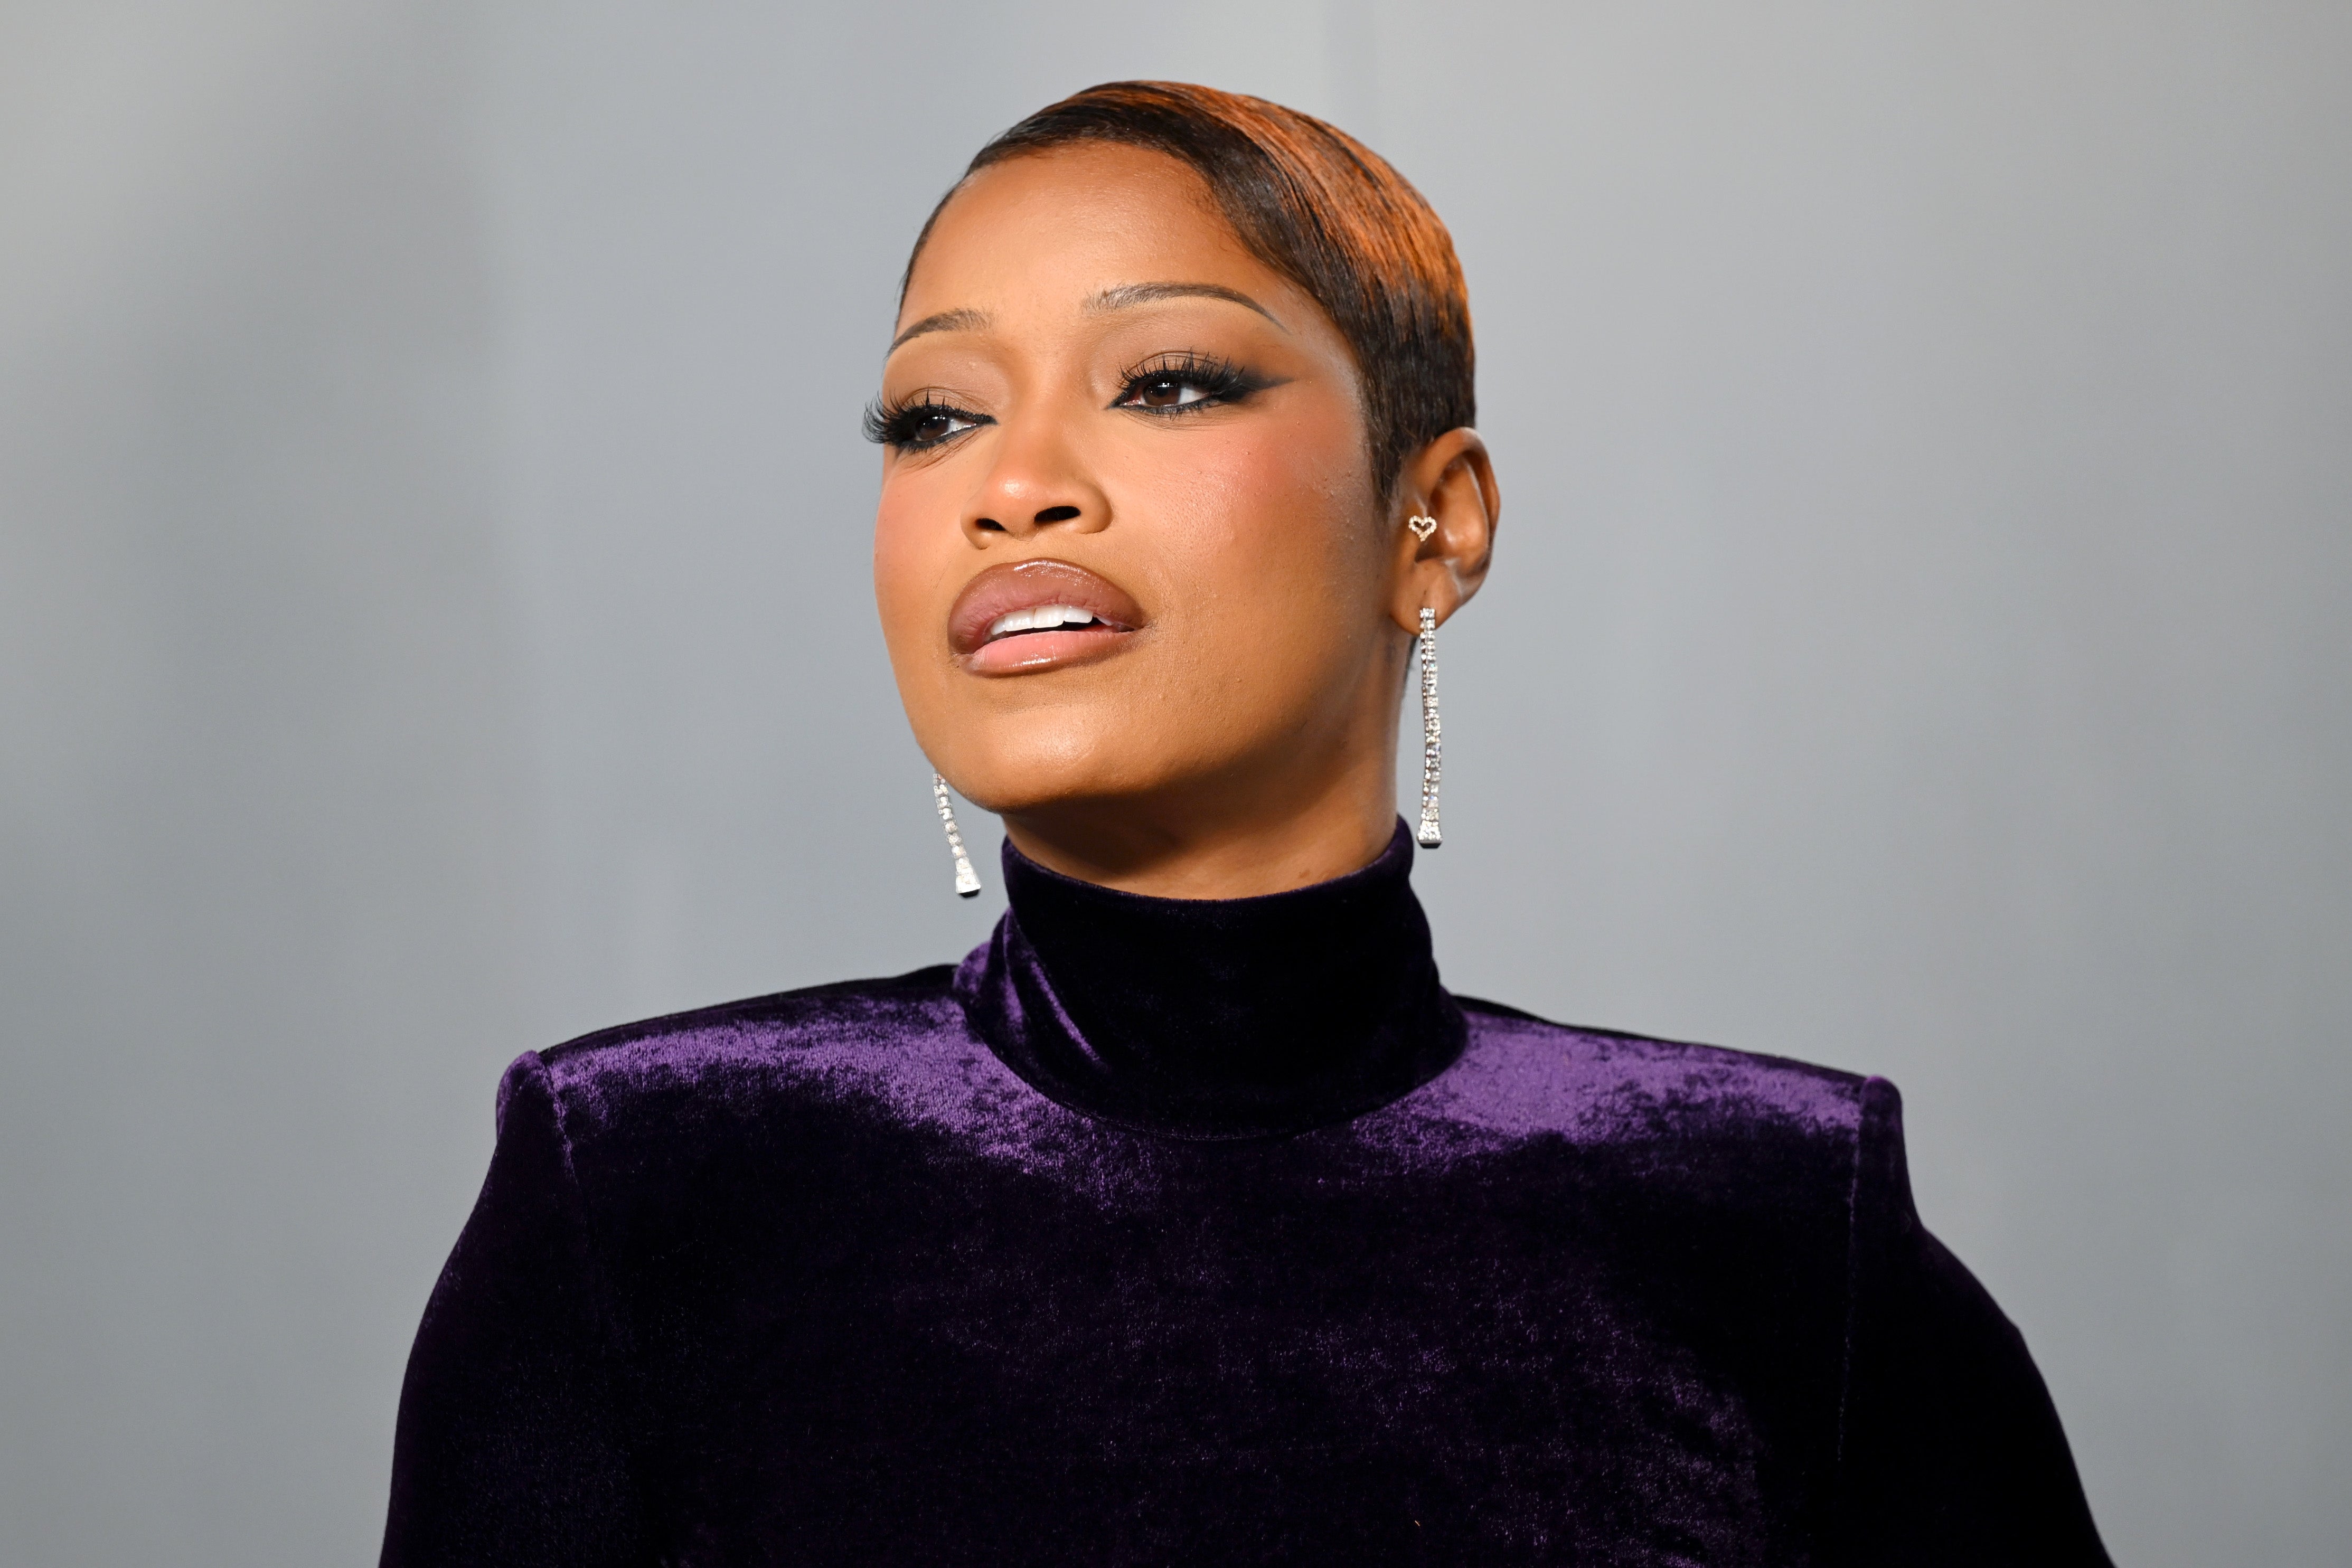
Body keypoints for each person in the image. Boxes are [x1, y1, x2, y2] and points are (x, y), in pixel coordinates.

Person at [381, 81, 2111, 1565]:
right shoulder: (644, 1190)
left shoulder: (1778, 1229)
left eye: (1171, 381)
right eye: (936, 415)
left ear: (1435, 523)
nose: (1014, 483)